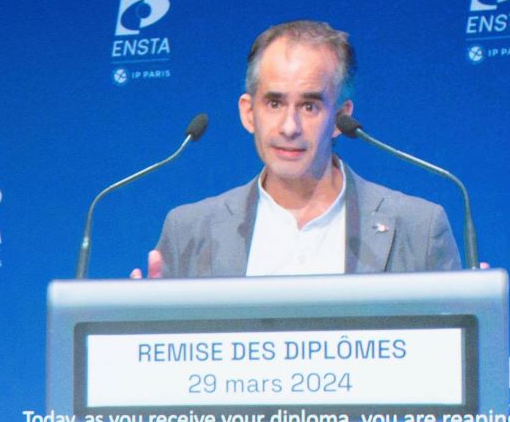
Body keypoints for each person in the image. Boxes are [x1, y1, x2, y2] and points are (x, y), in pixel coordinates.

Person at [139, 20, 458, 280]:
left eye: (309, 106)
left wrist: (474, 318)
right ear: (249, 113)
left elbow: (455, 351)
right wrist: (143, 324)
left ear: (340, 117)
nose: (289, 127)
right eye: (274, 103)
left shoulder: (418, 228)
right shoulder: (189, 231)